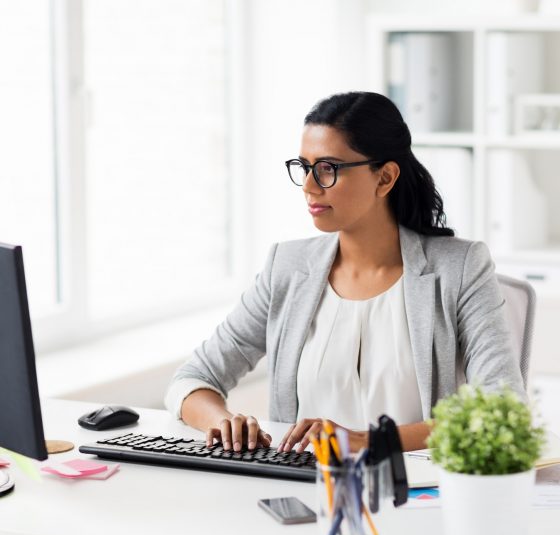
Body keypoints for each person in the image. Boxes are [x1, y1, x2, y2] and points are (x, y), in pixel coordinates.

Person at [164, 91, 526, 455]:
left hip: (416, 492)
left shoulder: (459, 268)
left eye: (327, 169)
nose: (308, 186)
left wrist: (368, 441)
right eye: (304, 167)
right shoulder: (287, 267)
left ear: (384, 178)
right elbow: (194, 379)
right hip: (301, 493)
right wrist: (222, 421)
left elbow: (503, 410)